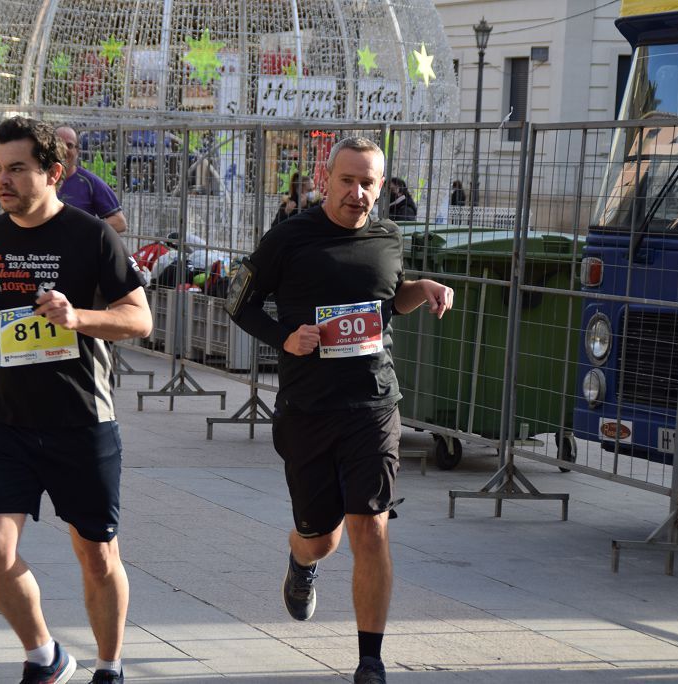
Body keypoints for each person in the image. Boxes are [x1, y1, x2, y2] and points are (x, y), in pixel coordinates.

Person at [0, 116, 151, 684]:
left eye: (17, 169)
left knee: (97, 555)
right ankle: (44, 656)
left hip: (82, 421)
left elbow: (139, 318)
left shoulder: (92, 235)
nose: (2, 181)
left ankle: (109, 666)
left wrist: (77, 317)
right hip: (7, 420)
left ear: (53, 172)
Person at [227, 137, 454, 684]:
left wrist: (419, 288)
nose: (357, 193)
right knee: (321, 534)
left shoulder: (389, 236)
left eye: (368, 182)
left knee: (370, 527)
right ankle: (302, 562)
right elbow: (240, 302)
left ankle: (370, 661)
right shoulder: (290, 237)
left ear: (382, 185)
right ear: (325, 179)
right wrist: (287, 338)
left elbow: (386, 297)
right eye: (347, 180)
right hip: (308, 408)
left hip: (373, 402)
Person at [55, 125, 128, 234]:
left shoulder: (89, 182)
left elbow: (120, 222)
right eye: (59, 144)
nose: (64, 150)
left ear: (77, 150)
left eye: (69, 145)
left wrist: (84, 229)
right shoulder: (39, 179)